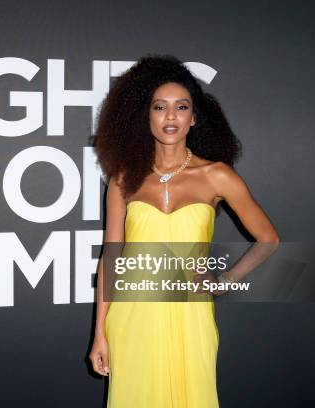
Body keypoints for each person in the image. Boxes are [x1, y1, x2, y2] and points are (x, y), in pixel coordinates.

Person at [89, 54, 280, 407]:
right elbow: (111, 260)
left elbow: (268, 241)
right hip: (132, 316)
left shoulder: (217, 176)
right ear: (146, 117)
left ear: (194, 118)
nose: (170, 116)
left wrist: (223, 282)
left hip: (192, 314)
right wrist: (100, 333)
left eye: (181, 107)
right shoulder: (122, 180)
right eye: (160, 107)